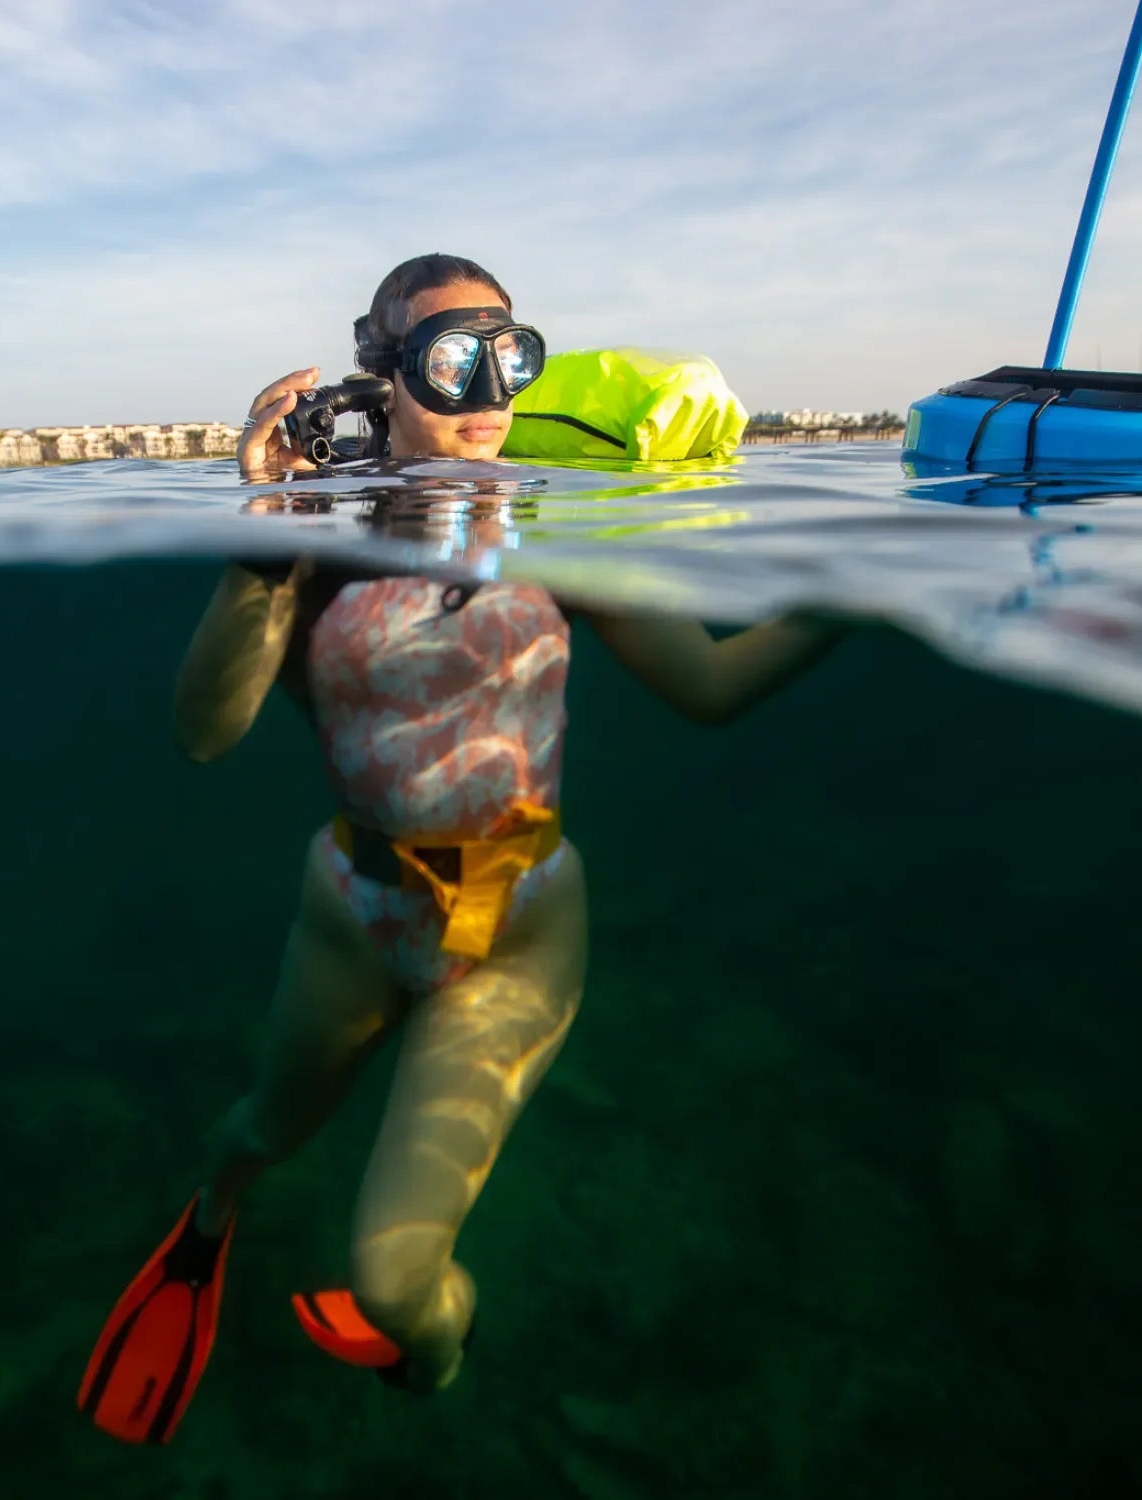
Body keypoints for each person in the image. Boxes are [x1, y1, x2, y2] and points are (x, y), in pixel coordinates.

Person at [76, 254, 844, 1443]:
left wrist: (854, 600)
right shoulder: (313, 534)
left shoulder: (563, 519)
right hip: (353, 909)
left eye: (510, 352)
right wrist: (261, 539)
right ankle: (213, 1214)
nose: (488, 389)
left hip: (519, 932)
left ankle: (433, 1358)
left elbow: (710, 684)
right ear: (381, 375)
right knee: (252, 1134)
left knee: (391, 1284)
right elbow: (203, 737)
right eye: (449, 360)